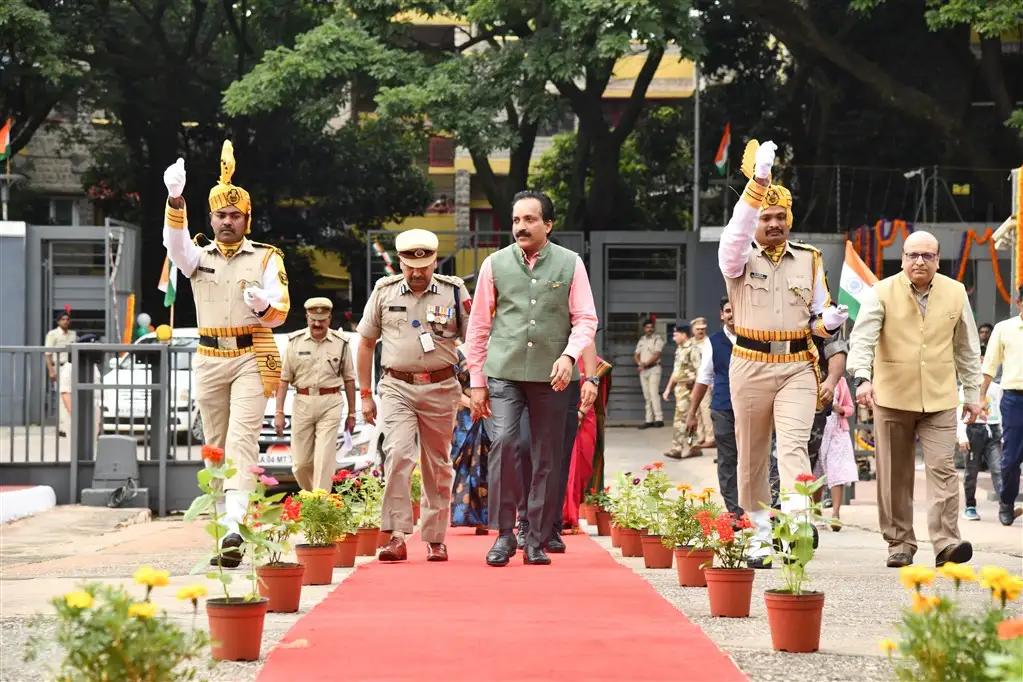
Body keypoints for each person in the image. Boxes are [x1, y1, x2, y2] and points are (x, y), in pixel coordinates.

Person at [717, 139, 849, 569]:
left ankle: (793, 526)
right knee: (752, 450)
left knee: (792, 446)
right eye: (766, 217)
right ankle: (757, 530)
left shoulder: (810, 260)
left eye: (780, 217)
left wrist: (826, 324)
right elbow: (736, 232)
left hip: (796, 365)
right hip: (750, 363)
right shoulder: (736, 258)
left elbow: (815, 318)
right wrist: (758, 183)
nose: (773, 224)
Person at [162, 142, 290, 568]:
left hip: (251, 356)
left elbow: (281, 312)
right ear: (211, 218)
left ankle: (235, 527)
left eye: (236, 215)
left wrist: (262, 307)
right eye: (221, 215)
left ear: (247, 219)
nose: (228, 221)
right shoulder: (197, 257)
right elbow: (176, 245)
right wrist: (175, 200)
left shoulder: (268, 258)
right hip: (208, 356)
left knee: (241, 440)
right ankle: (225, 530)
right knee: (214, 446)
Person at [465, 190, 598, 567]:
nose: (521, 227)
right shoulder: (494, 264)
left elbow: (586, 318)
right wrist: (477, 382)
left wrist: (570, 357)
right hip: (504, 372)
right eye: (516, 221)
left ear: (548, 224)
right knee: (506, 442)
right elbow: (478, 326)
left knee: (546, 456)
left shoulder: (571, 264)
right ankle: (505, 535)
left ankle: (536, 537)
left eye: (529, 220)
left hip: (554, 377)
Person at [848, 229, 982, 568]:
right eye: (912, 255)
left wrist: (972, 394)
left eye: (927, 255)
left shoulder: (955, 292)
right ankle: (899, 543)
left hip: (940, 398)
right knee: (894, 473)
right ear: (903, 258)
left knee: (943, 469)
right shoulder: (881, 291)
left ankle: (947, 543)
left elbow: (967, 347)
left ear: (938, 259)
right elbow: (862, 338)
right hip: (891, 396)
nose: (919, 261)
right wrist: (863, 379)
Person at [357, 228, 471, 563]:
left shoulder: (454, 291)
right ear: (400, 261)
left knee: (437, 463)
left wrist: (478, 387)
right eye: (410, 265)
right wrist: (365, 394)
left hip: (441, 387)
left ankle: (435, 539)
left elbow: (478, 339)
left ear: (435, 261)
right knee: (398, 454)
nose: (417, 273)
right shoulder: (384, 291)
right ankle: (396, 536)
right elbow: (365, 344)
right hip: (397, 387)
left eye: (425, 265)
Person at [514, 342, 599, 551]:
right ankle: (525, 522)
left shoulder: (574, 307)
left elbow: (586, 337)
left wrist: (591, 378)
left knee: (558, 457)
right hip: (523, 380)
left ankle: (552, 525)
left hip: (563, 384)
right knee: (524, 448)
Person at [276, 298, 356, 492]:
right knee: (301, 463)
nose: (317, 324)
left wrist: (352, 414)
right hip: (302, 401)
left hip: (331, 402)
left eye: (322, 319)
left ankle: (321, 503)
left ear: (329, 318)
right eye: (313, 319)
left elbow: (349, 379)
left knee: (324, 458)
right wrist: (279, 411)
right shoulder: (294, 342)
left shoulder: (341, 343)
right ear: (307, 317)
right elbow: (284, 379)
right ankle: (312, 497)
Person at [689, 298, 740, 516]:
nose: (732, 315)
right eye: (728, 311)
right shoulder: (713, 342)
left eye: (736, 310)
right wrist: (691, 413)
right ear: (721, 315)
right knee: (728, 459)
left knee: (753, 459)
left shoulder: (756, 339)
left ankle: (755, 508)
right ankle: (735, 511)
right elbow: (704, 377)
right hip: (723, 407)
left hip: (752, 408)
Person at [980, 284, 1023, 526]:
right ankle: (1007, 502)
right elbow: (990, 365)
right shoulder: (1004, 329)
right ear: (1019, 303)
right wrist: (980, 398)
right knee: (1011, 458)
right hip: (1015, 399)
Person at [563, 350, 614, 528]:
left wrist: (580, 413)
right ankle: (561, 516)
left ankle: (570, 512)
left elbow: (595, 392)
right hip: (559, 416)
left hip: (585, 418)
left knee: (582, 468)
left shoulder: (595, 363)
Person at [450, 345, 490, 534]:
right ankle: (467, 515)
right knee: (466, 466)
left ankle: (488, 517)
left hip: (492, 414)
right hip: (466, 417)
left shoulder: (497, 347)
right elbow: (452, 389)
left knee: (489, 465)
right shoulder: (457, 353)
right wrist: (474, 404)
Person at [813, 373, 858, 530]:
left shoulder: (841, 382)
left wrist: (841, 409)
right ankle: (816, 512)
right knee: (816, 473)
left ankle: (835, 515)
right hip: (817, 430)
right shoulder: (811, 376)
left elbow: (850, 408)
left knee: (836, 471)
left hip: (837, 432)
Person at [957, 367, 1002, 522]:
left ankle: (1005, 505)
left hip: (993, 429)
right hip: (973, 429)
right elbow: (959, 412)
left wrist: (1003, 435)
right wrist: (962, 435)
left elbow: (1001, 411)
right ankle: (970, 506)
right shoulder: (966, 388)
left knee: (997, 468)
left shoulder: (996, 388)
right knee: (972, 470)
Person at [662, 324, 700, 459]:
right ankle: (694, 445)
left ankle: (677, 448)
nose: (674, 337)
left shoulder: (692, 349)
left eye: (676, 335)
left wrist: (696, 391)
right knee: (688, 418)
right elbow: (676, 371)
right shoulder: (679, 349)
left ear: (684, 335)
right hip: (680, 388)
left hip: (689, 389)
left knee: (680, 419)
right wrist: (668, 388)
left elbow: (699, 371)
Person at [45, 311, 77, 436]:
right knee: (62, 397)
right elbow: (48, 354)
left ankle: (70, 424)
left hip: (71, 367)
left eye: (67, 319)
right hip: (59, 367)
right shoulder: (52, 334)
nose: (65, 321)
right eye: (63, 319)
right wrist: (51, 371)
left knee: (71, 396)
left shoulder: (73, 334)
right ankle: (62, 428)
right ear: (58, 321)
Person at [634, 319, 664, 429]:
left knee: (653, 393)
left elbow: (657, 354)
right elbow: (636, 354)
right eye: (647, 327)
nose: (649, 329)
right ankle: (649, 420)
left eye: (651, 327)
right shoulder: (642, 340)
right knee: (647, 396)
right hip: (643, 371)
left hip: (654, 369)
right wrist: (639, 363)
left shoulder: (657, 339)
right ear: (644, 329)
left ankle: (659, 419)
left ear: (654, 328)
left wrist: (644, 364)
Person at [690, 317, 715, 449]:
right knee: (696, 410)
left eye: (703, 329)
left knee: (705, 409)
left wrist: (711, 380)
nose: (701, 331)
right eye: (698, 329)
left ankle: (710, 437)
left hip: (704, 381)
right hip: (692, 380)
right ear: (693, 330)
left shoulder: (708, 343)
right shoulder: (691, 343)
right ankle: (700, 436)